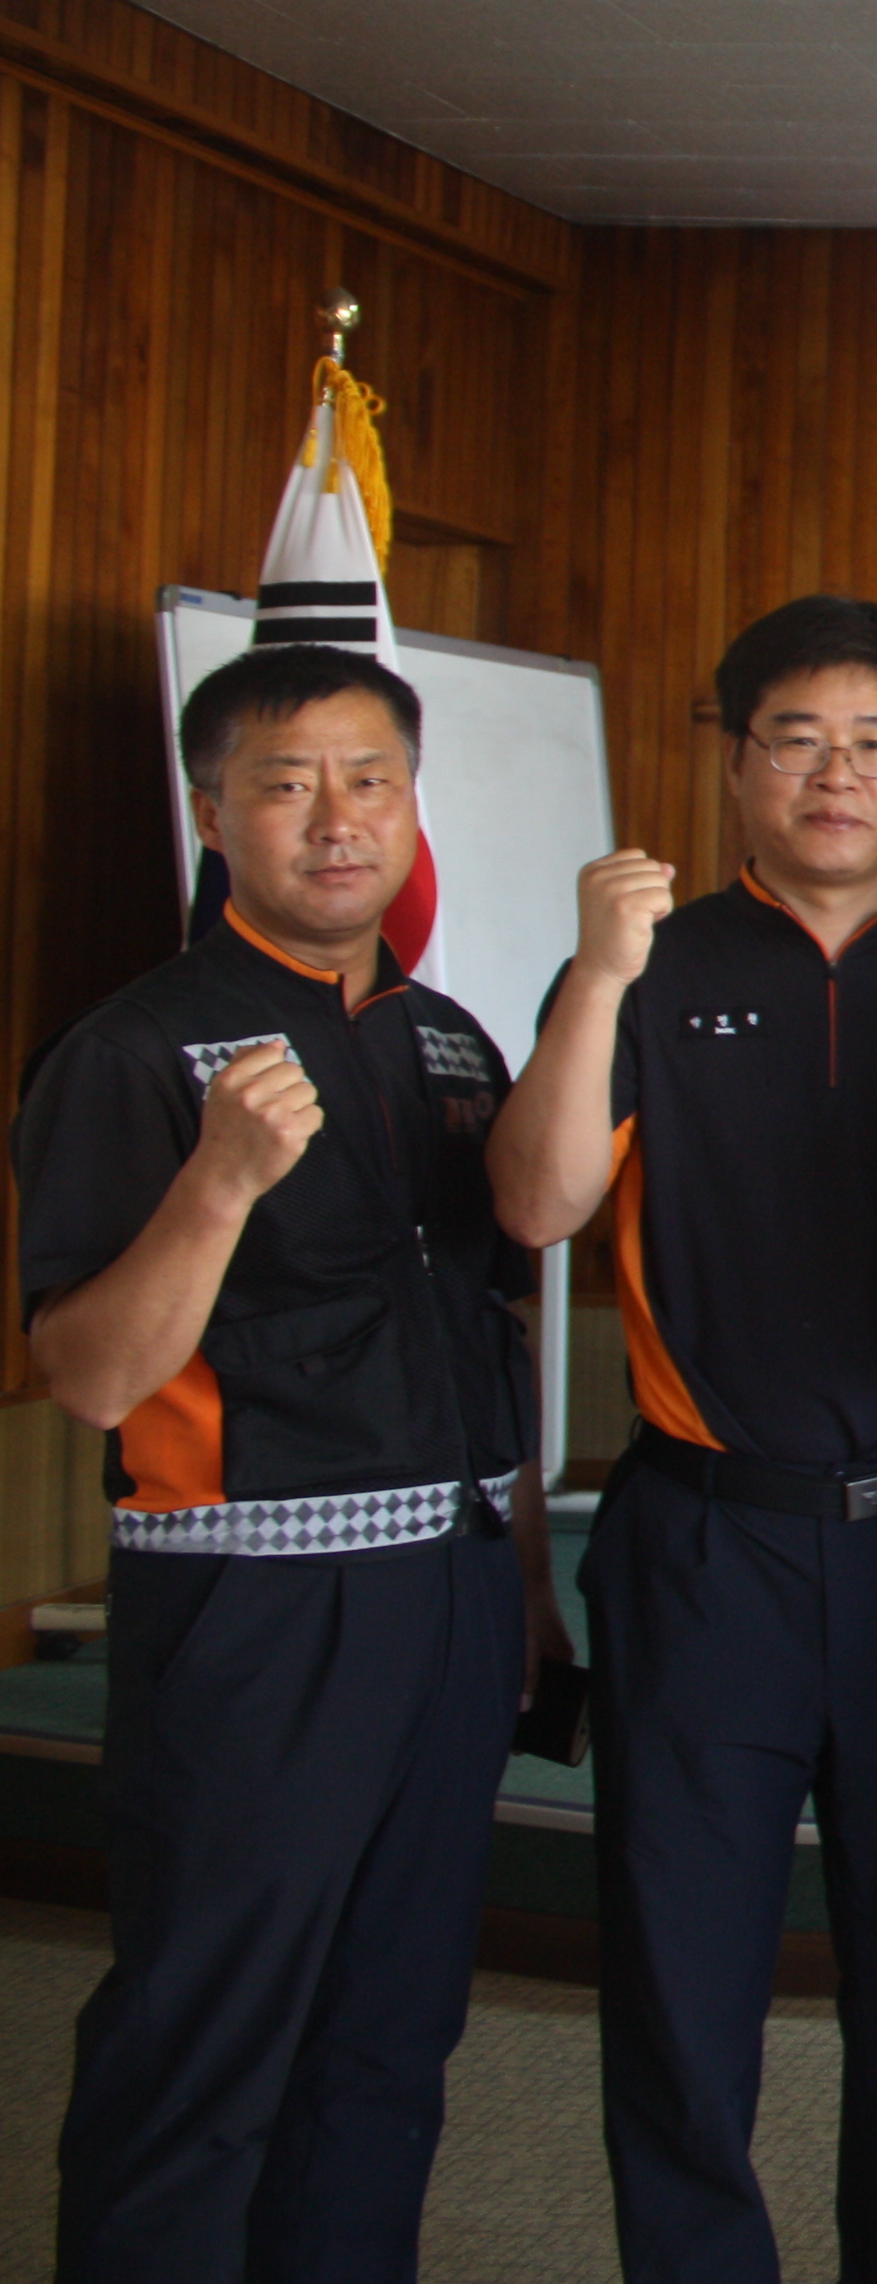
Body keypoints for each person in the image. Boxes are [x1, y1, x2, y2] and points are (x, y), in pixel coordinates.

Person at [486, 595, 877, 2284]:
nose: (836, 774)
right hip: (705, 1544)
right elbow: (537, 1203)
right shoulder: (649, 972)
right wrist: (599, 974)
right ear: (737, 765)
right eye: (796, 739)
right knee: (680, 1984)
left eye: (875, 743)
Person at [15, 645, 558, 2284]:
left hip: (452, 1593)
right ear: (212, 814)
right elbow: (89, 1376)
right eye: (287, 783)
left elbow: (492, 1330)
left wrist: (522, 1589)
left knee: (392, 2029)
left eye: (371, 781)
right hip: (255, 1611)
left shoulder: (449, 1041)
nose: (337, 819)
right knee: (207, 2029)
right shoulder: (135, 1050)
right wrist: (220, 1184)